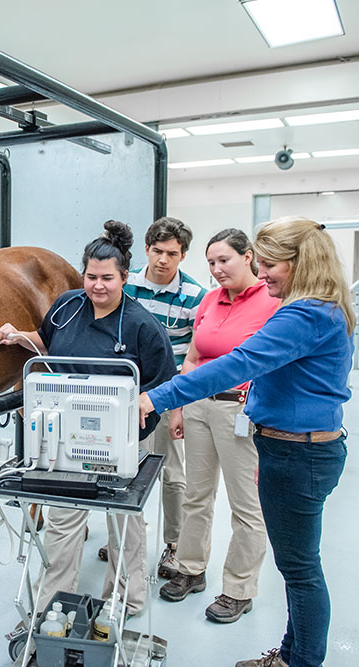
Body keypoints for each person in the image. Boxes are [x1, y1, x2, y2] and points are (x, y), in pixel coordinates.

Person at [140, 217, 354, 667]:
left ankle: (301, 660)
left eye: (272, 264)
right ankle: (292, 654)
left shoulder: (304, 314)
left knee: (300, 571)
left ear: (301, 263)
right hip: (297, 447)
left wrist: (157, 398)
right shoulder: (323, 308)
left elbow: (238, 363)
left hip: (298, 453)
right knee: (297, 568)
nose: (265, 271)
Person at [0, 220, 177, 617]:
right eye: (91, 276)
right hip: (65, 437)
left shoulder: (142, 326)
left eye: (107, 278)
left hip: (124, 437)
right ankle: (53, 603)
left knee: (123, 521)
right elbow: (47, 343)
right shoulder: (67, 305)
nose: (98, 285)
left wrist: (145, 411)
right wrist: (18, 336)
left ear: (124, 278)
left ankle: (127, 600)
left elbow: (163, 383)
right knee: (63, 520)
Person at [157, 228, 278, 624]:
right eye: (210, 263)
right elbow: (192, 358)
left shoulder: (272, 301)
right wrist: (178, 408)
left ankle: (238, 590)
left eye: (224, 260)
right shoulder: (209, 299)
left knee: (247, 506)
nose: (216, 269)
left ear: (248, 257)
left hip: (241, 411)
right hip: (198, 408)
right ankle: (191, 569)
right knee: (196, 495)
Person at [116, 216, 206, 580]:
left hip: (168, 396)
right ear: (147, 250)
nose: (163, 260)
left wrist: (177, 408)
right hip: (125, 398)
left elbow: (194, 358)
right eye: (157, 251)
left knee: (172, 474)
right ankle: (124, 535)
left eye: (172, 253)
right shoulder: (126, 285)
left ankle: (174, 543)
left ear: (183, 255)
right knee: (122, 469)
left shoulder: (194, 297)